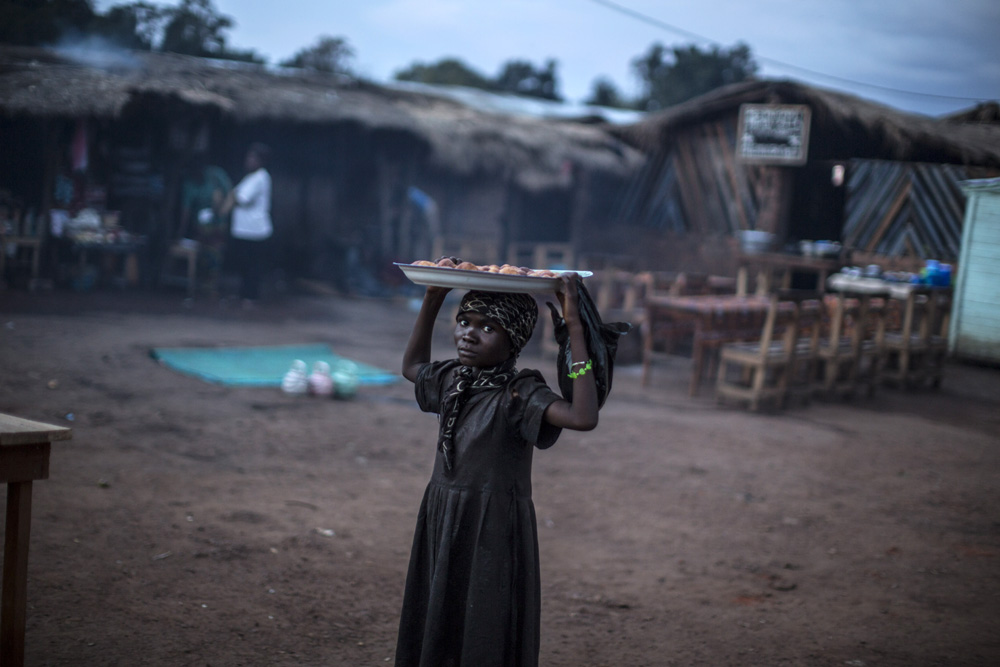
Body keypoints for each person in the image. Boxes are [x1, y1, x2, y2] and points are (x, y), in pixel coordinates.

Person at [395, 275, 600, 667]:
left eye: (488, 327)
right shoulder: (455, 380)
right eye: (464, 322)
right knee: (441, 612)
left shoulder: (520, 395)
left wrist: (574, 329)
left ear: (514, 340)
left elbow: (582, 415)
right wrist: (433, 298)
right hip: (444, 514)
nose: (468, 335)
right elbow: (413, 366)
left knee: (486, 624)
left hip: (492, 528)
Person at [220, 143, 272, 304]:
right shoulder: (250, 177)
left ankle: (251, 296)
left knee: (252, 266)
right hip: (244, 229)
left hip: (254, 230)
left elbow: (240, 198)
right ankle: (244, 294)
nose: (248, 160)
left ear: (260, 161)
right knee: (243, 264)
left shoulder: (260, 178)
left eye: (252, 158)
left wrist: (228, 198)